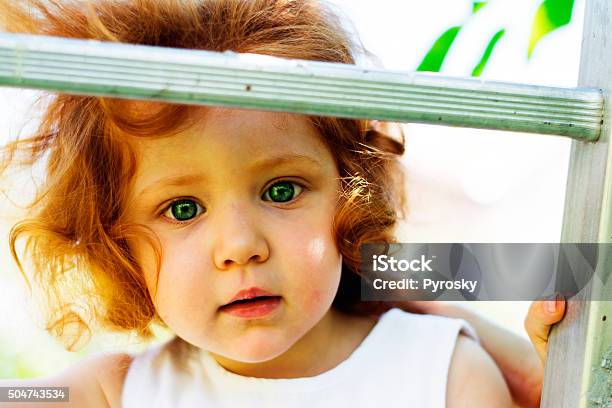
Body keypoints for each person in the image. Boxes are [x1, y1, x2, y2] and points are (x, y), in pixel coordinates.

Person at [0, 0, 565, 407]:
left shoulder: (443, 371)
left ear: (349, 195)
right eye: (182, 209)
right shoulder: (115, 390)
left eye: (281, 191)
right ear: (116, 242)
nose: (241, 246)